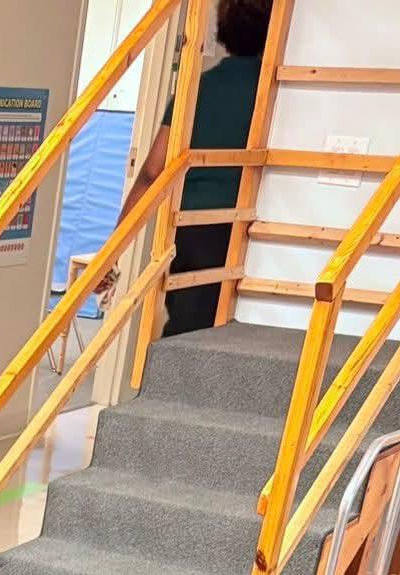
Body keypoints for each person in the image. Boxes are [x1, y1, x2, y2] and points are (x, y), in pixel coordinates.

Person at [113, 0, 270, 336]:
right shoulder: (275, 92)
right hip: (240, 230)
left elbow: (152, 172)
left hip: (187, 227)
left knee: (186, 327)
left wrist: (112, 252)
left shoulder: (196, 88)